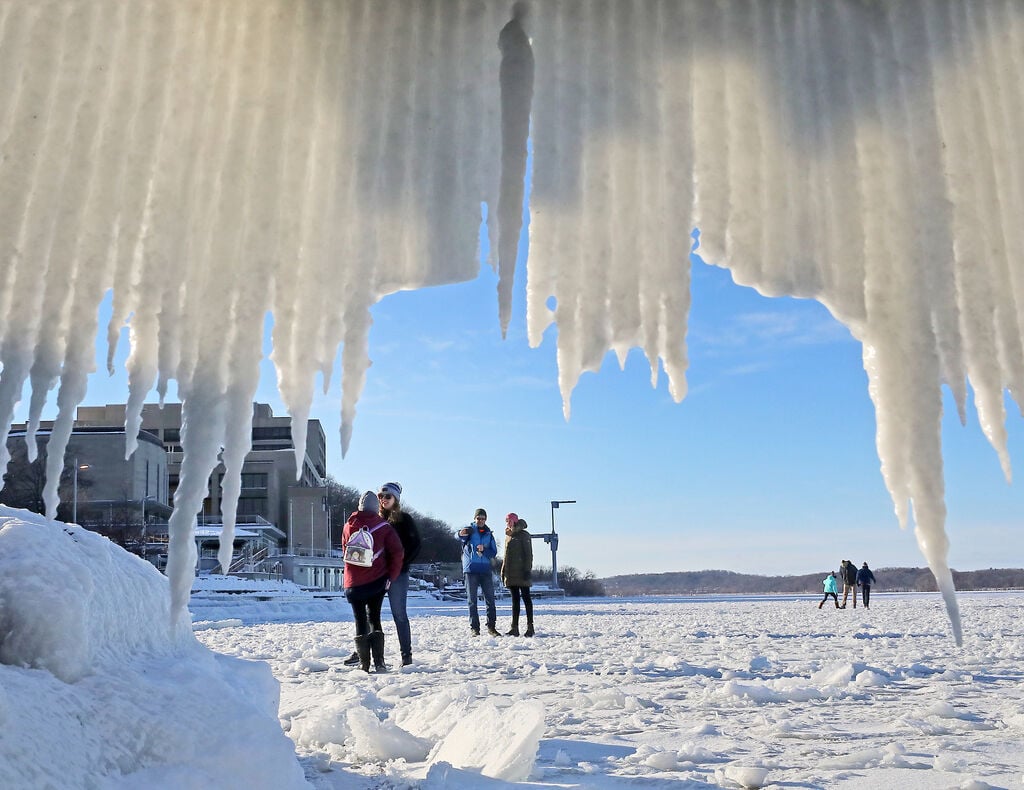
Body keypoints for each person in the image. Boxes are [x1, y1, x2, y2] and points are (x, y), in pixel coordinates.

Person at [342, 491, 404, 672]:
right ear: (375, 507)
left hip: (353, 582)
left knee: (359, 620)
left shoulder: (348, 526)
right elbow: (397, 552)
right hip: (377, 580)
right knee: (374, 617)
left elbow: (345, 550)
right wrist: (391, 576)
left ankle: (364, 664)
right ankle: (379, 662)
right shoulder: (383, 526)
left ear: (359, 507)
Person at [378, 481, 421, 666]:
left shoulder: (404, 519)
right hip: (377, 574)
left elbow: (416, 545)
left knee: (399, 614)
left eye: (388, 496)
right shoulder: (375, 519)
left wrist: (402, 564)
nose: (383, 500)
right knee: (371, 615)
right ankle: (374, 657)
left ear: (396, 498)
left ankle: (406, 656)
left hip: (398, 575)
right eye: (381, 496)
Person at [458, 508, 499, 636]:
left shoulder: (489, 534)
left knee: (490, 599)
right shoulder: (469, 530)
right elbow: (458, 536)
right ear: (475, 518)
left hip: (485, 569)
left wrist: (484, 551)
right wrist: (461, 533)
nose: (480, 520)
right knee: (472, 600)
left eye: (483, 518)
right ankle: (474, 628)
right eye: (478, 518)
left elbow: (494, 552)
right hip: (471, 570)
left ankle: (491, 627)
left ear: (485, 519)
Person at [501, 513, 534, 637]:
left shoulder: (524, 535)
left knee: (526, 598)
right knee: (515, 600)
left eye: (509, 521)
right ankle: (514, 627)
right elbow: (505, 557)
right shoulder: (508, 536)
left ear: (515, 521)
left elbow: (528, 554)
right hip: (511, 573)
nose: (508, 523)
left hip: (521, 572)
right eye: (506, 521)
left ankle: (530, 627)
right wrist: (503, 571)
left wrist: (527, 570)